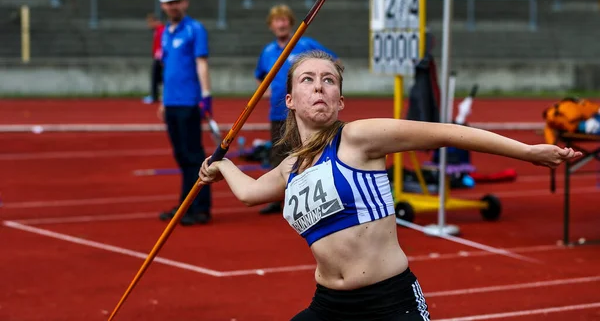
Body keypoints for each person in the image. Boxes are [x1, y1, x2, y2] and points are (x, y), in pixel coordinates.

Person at [199, 50, 581, 320]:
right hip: (329, 305)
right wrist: (222, 166)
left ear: (340, 100)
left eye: (328, 81)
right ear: (290, 101)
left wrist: (528, 152)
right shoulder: (289, 168)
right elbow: (250, 194)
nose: (319, 87)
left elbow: (446, 133)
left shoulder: (357, 138)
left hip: (388, 303)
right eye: (308, 80)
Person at [255, 4, 337, 215]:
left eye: (284, 19)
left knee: (308, 152)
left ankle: (311, 198)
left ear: (290, 23)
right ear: (271, 25)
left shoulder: (306, 45)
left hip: (304, 113)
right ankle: (277, 199)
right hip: (277, 112)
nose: (281, 24)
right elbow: (261, 77)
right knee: (278, 154)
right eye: (277, 20)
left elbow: (333, 62)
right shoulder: (267, 51)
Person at [157, 0, 213, 226]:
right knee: (181, 156)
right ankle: (185, 203)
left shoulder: (194, 29)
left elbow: (201, 63)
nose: (173, 6)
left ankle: (200, 208)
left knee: (193, 156)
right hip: (171, 102)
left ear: (185, 2)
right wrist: (162, 100)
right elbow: (166, 70)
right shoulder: (165, 33)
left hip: (189, 101)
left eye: (177, 1)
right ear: (163, 6)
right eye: (169, 3)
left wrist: (206, 95)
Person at [143, 13, 166, 104]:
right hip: (158, 56)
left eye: (150, 23)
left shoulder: (162, 30)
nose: (149, 25)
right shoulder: (157, 30)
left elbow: (162, 45)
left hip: (160, 57)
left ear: (155, 21)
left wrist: (161, 57)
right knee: (158, 77)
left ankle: (155, 96)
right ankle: (155, 95)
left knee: (157, 76)